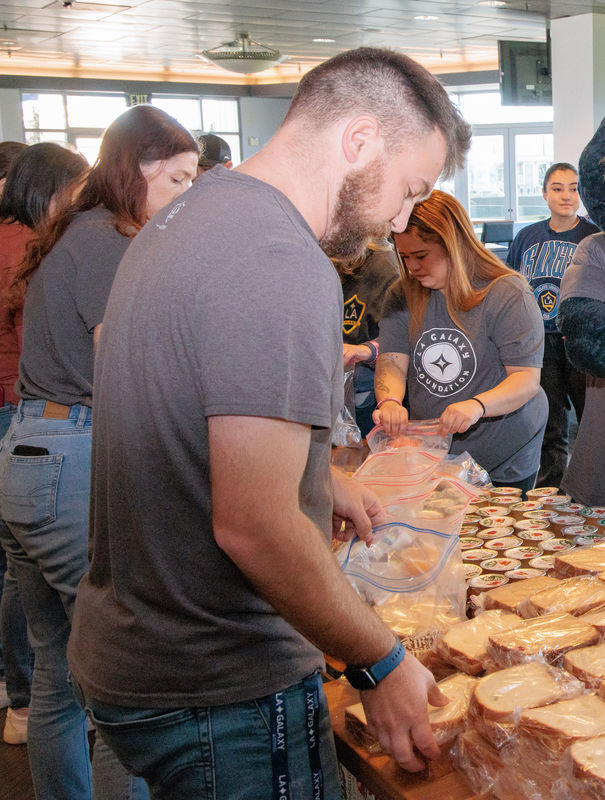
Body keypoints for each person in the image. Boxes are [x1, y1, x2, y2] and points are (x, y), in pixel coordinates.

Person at [68, 48, 470, 798]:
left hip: (137, 650)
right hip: (218, 679)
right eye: (410, 189)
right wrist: (380, 662)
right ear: (359, 142)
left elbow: (188, 418)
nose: (402, 220)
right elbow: (252, 526)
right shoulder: (279, 257)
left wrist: (315, 483)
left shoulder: (193, 213)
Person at [0, 104, 196, 800]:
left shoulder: (72, 233)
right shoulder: (112, 241)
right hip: (73, 459)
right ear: (133, 170)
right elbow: (127, 373)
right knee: (128, 677)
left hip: (28, 451)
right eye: (175, 178)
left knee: (59, 668)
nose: (185, 194)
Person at [0, 142, 89, 747]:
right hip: (46, 425)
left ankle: (18, 699)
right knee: (108, 663)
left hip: (20, 430)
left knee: (50, 654)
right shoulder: (53, 250)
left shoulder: (30, 249)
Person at [376, 190, 548, 495]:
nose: (412, 267)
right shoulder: (401, 295)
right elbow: (392, 362)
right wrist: (389, 401)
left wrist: (477, 405)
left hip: (505, 450)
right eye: (404, 258)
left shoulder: (507, 294)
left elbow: (525, 379)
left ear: (454, 246)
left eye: (420, 256)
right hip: (437, 450)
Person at [505, 162, 599, 486]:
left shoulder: (595, 238)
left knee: (592, 425)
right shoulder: (526, 237)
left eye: (573, 188)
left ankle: (594, 493)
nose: (566, 196)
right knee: (551, 426)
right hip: (540, 345)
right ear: (544, 193)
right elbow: (510, 288)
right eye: (557, 188)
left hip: (580, 343)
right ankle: (551, 500)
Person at [339, 240, 402, 438]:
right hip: (335, 385)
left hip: (362, 388)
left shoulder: (383, 268)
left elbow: (400, 337)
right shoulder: (333, 263)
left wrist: (365, 350)